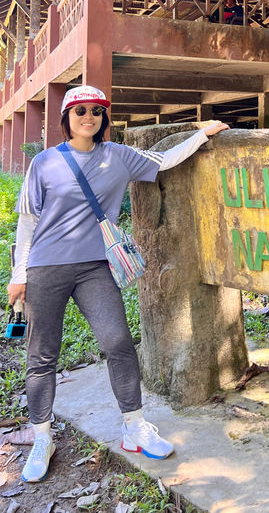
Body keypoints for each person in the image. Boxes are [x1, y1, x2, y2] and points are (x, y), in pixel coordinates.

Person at [6, 85, 229, 483]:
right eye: (79, 111)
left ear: (104, 117)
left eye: (96, 111)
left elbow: (162, 161)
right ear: (66, 118)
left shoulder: (119, 156)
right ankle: (42, 437)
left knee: (119, 343)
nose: (88, 117)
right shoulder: (43, 162)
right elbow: (27, 222)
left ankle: (134, 426)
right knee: (42, 356)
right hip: (45, 268)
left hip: (95, 266)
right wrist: (18, 276)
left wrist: (202, 134)